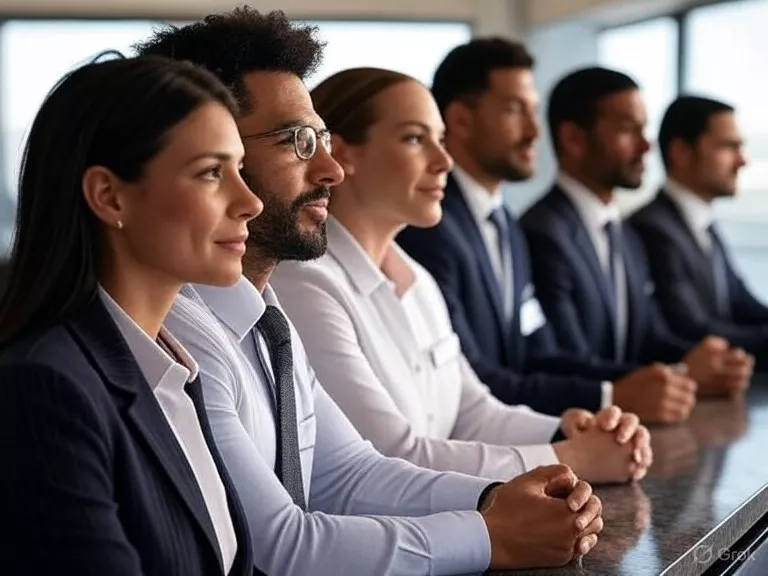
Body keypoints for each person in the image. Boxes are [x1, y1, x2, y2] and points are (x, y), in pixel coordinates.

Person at [136, 9, 603, 575]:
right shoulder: (182, 332)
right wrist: (490, 534)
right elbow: (276, 550)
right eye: (298, 141)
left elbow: (349, 471)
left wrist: (499, 500)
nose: (330, 168)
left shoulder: (266, 316)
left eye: (323, 139)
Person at [271, 66, 652, 484]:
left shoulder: (419, 280)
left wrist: (568, 428)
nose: (444, 161)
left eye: (440, 139)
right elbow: (395, 457)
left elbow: (474, 412)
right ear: (343, 154)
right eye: (415, 139)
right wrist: (572, 457)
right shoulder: (305, 285)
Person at [0, 55, 263, 575]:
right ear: (109, 195)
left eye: (240, 169)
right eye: (211, 172)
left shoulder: (173, 369)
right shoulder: (45, 387)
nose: (250, 201)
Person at [395, 38, 697, 423]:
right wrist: (610, 394)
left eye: (533, 111)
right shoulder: (427, 229)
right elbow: (472, 382)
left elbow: (535, 354)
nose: (535, 131)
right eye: (514, 109)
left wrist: (656, 381)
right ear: (461, 120)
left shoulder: (507, 227)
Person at [519, 66, 753, 398]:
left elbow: (649, 337)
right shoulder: (541, 232)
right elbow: (565, 360)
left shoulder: (624, 233)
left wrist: (710, 364)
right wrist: (683, 374)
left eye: (644, 130)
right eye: (629, 130)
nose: (646, 146)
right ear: (574, 139)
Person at [629, 95, 768, 370]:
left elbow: (741, 303)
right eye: (729, 147)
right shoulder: (651, 228)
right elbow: (691, 328)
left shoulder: (705, 223)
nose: (742, 161)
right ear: (681, 152)